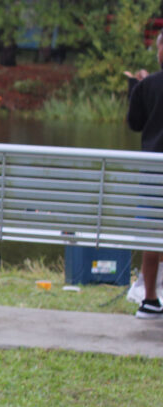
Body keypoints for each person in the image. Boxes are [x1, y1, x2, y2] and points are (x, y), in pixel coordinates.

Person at [125, 31, 163, 319]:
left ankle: (149, 299)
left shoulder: (148, 86)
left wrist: (135, 88)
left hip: (153, 172)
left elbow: (135, 124)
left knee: (153, 236)